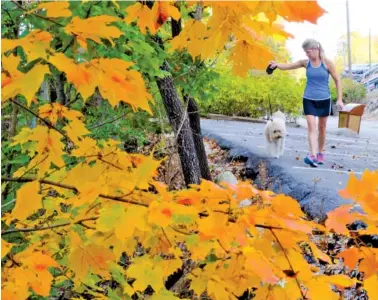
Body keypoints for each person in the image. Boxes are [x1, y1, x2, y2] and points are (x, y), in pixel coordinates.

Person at [269, 38, 344, 167]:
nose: (306, 54)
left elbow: (338, 80)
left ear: (316, 49)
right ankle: (313, 155)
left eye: (308, 51)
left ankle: (320, 153)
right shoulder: (305, 63)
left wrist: (339, 99)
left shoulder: (327, 63)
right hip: (308, 99)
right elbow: (289, 66)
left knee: (322, 128)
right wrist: (276, 65)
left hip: (324, 99)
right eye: (305, 52)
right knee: (311, 126)